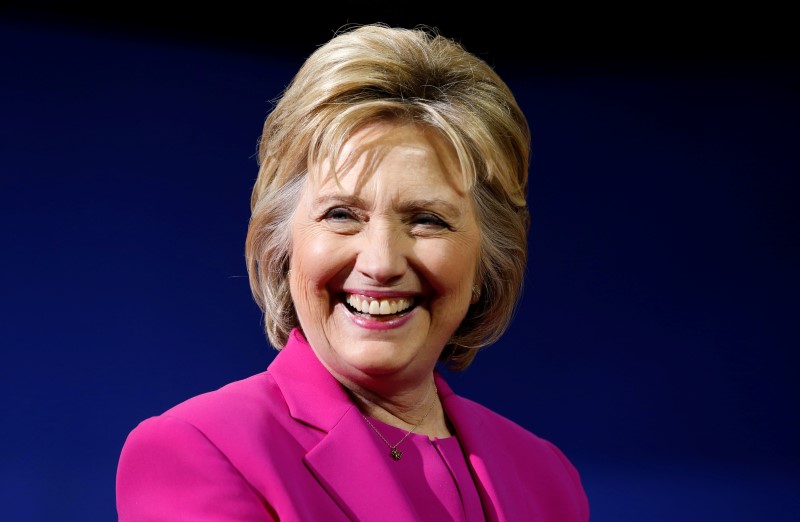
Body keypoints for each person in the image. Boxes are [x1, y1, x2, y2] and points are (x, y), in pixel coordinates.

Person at [116, 23, 590, 521]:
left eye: (427, 220)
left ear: (488, 259)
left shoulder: (545, 476)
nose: (381, 262)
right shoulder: (198, 451)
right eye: (342, 215)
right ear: (283, 241)